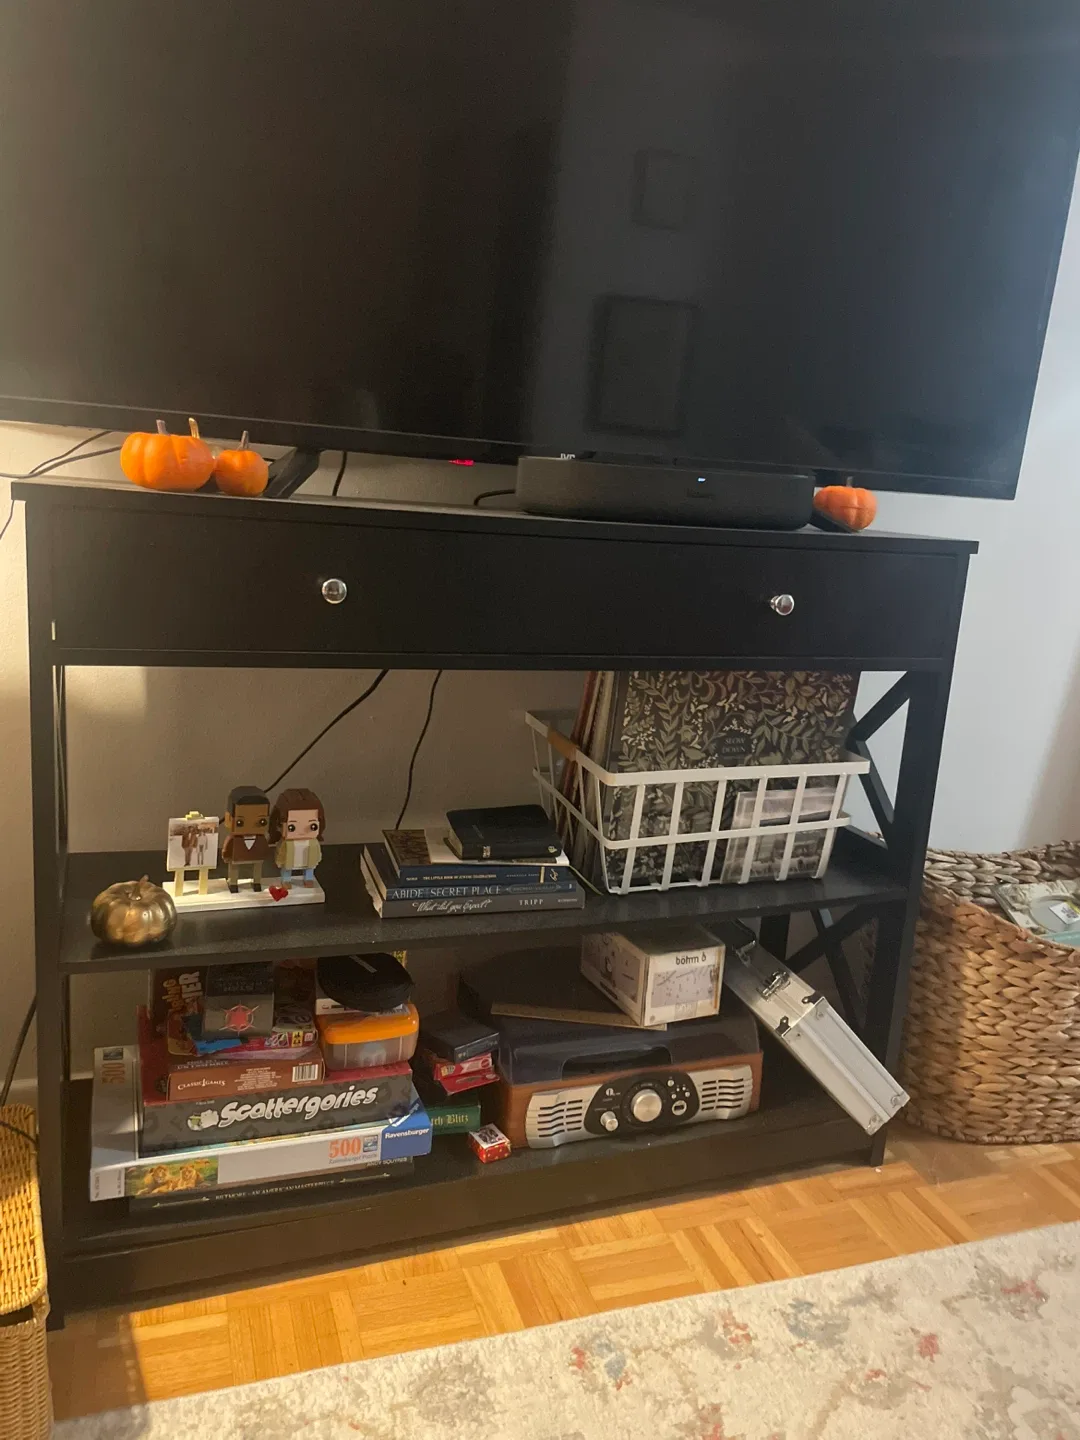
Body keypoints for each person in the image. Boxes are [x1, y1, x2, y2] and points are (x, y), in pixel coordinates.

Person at [270, 787, 325, 888]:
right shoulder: (286, 843)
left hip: (308, 860)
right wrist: (279, 860)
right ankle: (286, 881)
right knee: (287, 869)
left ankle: (308, 879)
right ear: (280, 824)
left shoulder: (313, 842)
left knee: (309, 869)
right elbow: (281, 852)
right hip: (289, 861)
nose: (303, 831)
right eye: (292, 827)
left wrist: (317, 859)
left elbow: (317, 852)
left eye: (312, 826)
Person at [220, 786, 271, 893]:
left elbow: (266, 847)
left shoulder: (260, 838)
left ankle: (256, 882)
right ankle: (233, 883)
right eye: (240, 822)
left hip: (256, 854)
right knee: (234, 868)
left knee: (257, 867)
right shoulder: (235, 839)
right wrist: (226, 854)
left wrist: (266, 854)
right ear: (229, 818)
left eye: (262, 821)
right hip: (237, 855)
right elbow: (228, 846)